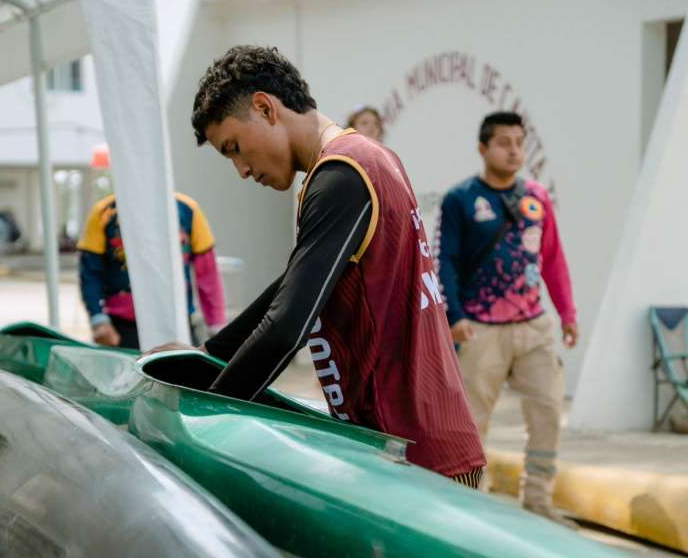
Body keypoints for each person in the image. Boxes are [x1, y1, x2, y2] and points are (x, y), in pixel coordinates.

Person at [149, 45, 485, 486]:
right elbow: (296, 285)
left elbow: (286, 326)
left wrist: (203, 416)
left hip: (416, 458)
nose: (241, 170)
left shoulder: (343, 174)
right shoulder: (367, 159)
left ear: (265, 108)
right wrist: (209, 354)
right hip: (418, 444)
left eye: (234, 148)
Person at [436, 111, 578, 525]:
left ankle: (538, 500)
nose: (514, 151)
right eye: (503, 143)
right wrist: (454, 316)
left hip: (534, 325)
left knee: (548, 409)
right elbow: (445, 262)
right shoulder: (460, 199)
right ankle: (471, 509)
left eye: (519, 142)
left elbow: (553, 259)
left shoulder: (536, 197)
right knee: (473, 423)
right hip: (479, 330)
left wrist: (567, 313)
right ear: (483, 148)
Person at [77, 190, 226, 349]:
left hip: (178, 323)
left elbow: (207, 273)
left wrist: (217, 325)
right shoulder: (104, 212)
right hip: (121, 328)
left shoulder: (187, 209)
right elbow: (90, 272)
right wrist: (98, 319)